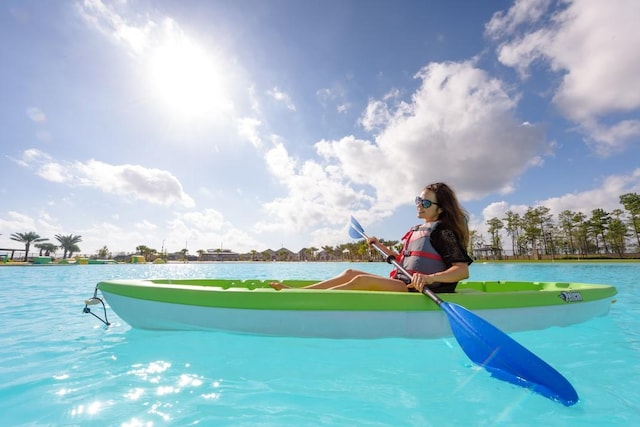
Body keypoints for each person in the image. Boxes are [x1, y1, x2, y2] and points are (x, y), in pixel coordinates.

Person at [271, 182, 473, 293]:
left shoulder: (442, 232)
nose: (419, 204)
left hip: (416, 289)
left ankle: (307, 298)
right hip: (404, 281)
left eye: (426, 203)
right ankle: (303, 291)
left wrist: (429, 278)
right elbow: (403, 260)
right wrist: (379, 245)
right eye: (418, 200)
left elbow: (461, 270)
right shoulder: (419, 229)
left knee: (360, 280)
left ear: (440, 209)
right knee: (350, 271)